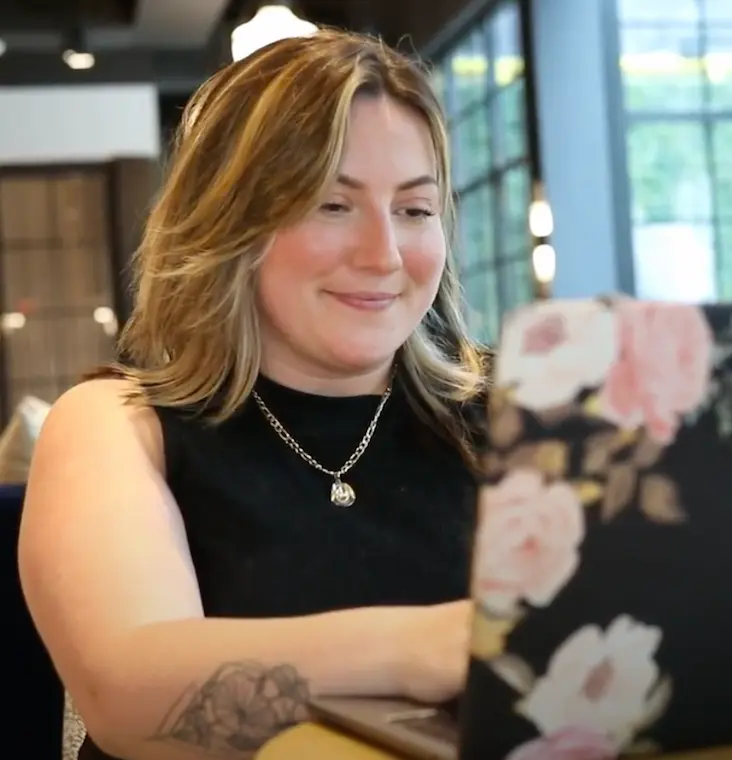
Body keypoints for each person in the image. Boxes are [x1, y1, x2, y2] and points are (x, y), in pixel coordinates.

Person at [18, 27, 490, 760]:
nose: (384, 254)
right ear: (230, 224)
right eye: (332, 205)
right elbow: (130, 699)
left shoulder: (522, 416)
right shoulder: (118, 426)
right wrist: (434, 646)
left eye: (415, 209)